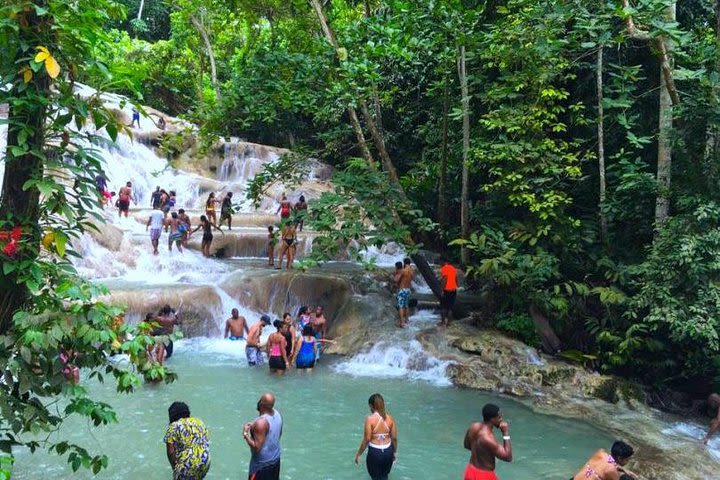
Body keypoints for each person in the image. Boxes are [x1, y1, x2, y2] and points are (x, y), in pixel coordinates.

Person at [463, 403, 512, 480]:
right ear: (492, 419)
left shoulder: (473, 426)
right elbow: (508, 457)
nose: (501, 419)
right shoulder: (488, 438)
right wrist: (505, 433)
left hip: (470, 471)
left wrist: (482, 452)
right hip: (484, 475)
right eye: (499, 417)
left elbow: (466, 445)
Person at [355, 393, 398, 480]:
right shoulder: (390, 419)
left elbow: (367, 439)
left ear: (371, 406)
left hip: (375, 453)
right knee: (384, 477)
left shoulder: (370, 419)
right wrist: (394, 452)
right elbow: (394, 438)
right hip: (388, 452)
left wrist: (358, 454)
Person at [164, 401, 210, 480]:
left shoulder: (174, 426)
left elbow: (171, 451)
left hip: (188, 465)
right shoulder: (199, 422)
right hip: (205, 461)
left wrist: (175, 468)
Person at [243, 393, 283, 480]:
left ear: (261, 404)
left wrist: (245, 434)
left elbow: (256, 448)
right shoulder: (277, 414)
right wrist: (260, 430)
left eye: (260, 400)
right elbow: (278, 434)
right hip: (276, 461)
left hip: (262, 467)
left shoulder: (260, 423)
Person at [571, 441, 638, 480]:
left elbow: (606, 465)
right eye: (627, 459)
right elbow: (609, 469)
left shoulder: (600, 453)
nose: (628, 461)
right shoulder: (612, 471)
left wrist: (624, 470)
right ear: (620, 458)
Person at [439, 257, 458, 327]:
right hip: (453, 289)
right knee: (450, 307)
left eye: (441, 263)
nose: (440, 264)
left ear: (444, 262)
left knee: (443, 306)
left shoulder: (444, 268)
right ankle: (449, 323)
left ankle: (443, 322)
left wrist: (442, 290)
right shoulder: (453, 268)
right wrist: (456, 286)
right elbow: (456, 278)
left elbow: (445, 279)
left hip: (446, 289)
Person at [396, 258, 414, 328]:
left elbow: (397, 280)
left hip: (402, 289)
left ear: (404, 263)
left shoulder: (403, 271)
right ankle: (407, 320)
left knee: (400, 306)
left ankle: (402, 323)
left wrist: (397, 272)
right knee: (406, 305)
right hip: (408, 290)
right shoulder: (412, 271)